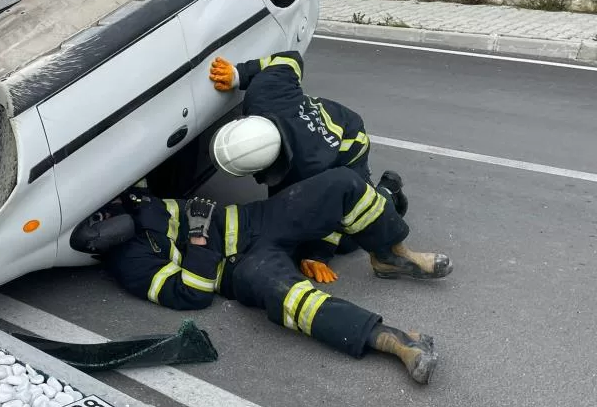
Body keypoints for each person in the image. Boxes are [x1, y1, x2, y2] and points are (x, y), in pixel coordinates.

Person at [70, 169, 453, 384]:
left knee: (343, 184)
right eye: (100, 216)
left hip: (252, 220)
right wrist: (200, 239)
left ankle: (390, 256)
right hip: (239, 266)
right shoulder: (129, 264)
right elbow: (192, 295)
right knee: (292, 298)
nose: (109, 210)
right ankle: (393, 340)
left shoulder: (132, 196)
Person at [208, 49, 408, 283]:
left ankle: (388, 192)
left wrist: (317, 255)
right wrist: (239, 74)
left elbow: (335, 204)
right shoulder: (262, 94)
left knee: (351, 235)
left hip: (349, 143)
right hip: (321, 125)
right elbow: (289, 58)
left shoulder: (310, 168)